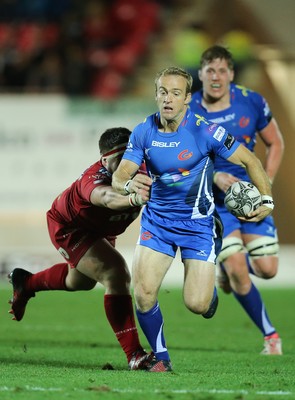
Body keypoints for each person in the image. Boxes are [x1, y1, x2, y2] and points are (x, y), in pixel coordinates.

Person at [112, 66, 275, 372]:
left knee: (197, 304)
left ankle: (210, 284)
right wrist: (129, 185)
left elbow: (250, 159)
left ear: (188, 98)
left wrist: (266, 199)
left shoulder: (206, 130)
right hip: (157, 224)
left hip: (198, 226)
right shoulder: (143, 132)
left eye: (176, 93)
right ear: (156, 95)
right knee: (143, 293)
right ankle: (161, 359)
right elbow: (120, 177)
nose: (168, 99)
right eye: (163, 92)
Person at [8, 127, 154, 371]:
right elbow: (106, 198)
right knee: (116, 273)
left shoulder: (143, 167)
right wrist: (134, 198)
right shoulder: (93, 179)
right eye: (121, 160)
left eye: (132, 157)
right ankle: (135, 356)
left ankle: (27, 282)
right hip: (70, 226)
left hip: (100, 229)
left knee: (81, 282)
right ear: (105, 160)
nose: (128, 166)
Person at [189, 45, 284, 355]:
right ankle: (270, 336)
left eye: (222, 71)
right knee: (239, 269)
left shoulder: (252, 101)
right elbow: (182, 159)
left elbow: (276, 143)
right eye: (209, 71)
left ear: (231, 74)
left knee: (268, 269)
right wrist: (213, 175)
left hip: (250, 196)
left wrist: (264, 185)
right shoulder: (189, 110)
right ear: (200, 74)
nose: (216, 77)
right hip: (214, 204)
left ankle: (227, 271)